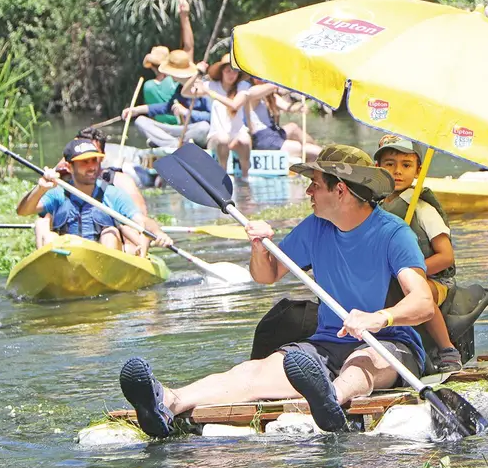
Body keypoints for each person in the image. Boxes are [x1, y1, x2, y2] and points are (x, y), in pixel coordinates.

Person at [118, 145, 436, 437]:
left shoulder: (394, 233)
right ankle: (170, 401)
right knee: (255, 371)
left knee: (361, 362)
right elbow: (266, 275)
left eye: (316, 183)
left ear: (339, 190)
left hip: (389, 345)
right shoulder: (315, 227)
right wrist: (259, 246)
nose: (308, 190)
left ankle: (331, 399)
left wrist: (378, 318)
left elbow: (423, 303)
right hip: (326, 345)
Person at [374, 135, 463, 372]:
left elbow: (446, 257)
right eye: (389, 164)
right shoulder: (376, 207)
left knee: (418, 292)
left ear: (418, 170)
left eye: (406, 165)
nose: (397, 171)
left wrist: (414, 272)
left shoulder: (423, 209)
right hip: (393, 276)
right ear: (377, 168)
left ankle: (447, 350)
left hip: (433, 278)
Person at [17, 139, 172, 256]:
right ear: (70, 167)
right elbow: (23, 211)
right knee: (45, 230)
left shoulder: (112, 194)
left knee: (110, 233)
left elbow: (142, 221)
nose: (92, 167)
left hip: (104, 261)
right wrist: (40, 188)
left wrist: (158, 233)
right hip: (67, 259)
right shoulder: (58, 193)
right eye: (84, 162)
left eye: (94, 161)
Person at [123, 49, 212, 150]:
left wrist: (186, 112)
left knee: (204, 127)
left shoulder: (202, 86)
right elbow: (167, 107)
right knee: (140, 121)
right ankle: (174, 144)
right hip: (180, 133)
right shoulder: (179, 88)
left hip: (194, 130)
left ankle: (168, 142)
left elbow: (211, 117)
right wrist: (136, 110)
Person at [186, 54, 253, 177]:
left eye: (235, 71)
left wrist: (210, 93)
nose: (231, 75)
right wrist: (197, 73)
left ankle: (245, 176)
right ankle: (223, 175)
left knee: (244, 140)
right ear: (222, 72)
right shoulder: (212, 85)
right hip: (217, 136)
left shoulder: (243, 87)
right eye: (228, 71)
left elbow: (234, 105)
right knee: (223, 138)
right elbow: (185, 92)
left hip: (236, 136)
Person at [140, 0, 197, 126]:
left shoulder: (147, 86)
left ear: (152, 67)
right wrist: (184, 17)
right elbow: (189, 47)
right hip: (181, 126)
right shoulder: (177, 79)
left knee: (141, 121)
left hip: (163, 127)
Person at [247, 77, 321, 161]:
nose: (259, 79)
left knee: (293, 127)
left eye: (261, 77)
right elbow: (267, 88)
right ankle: (315, 152)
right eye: (256, 77)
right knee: (317, 151)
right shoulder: (251, 92)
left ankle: (315, 147)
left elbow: (288, 107)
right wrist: (283, 80)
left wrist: (300, 107)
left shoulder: (270, 96)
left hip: (273, 133)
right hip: (265, 140)